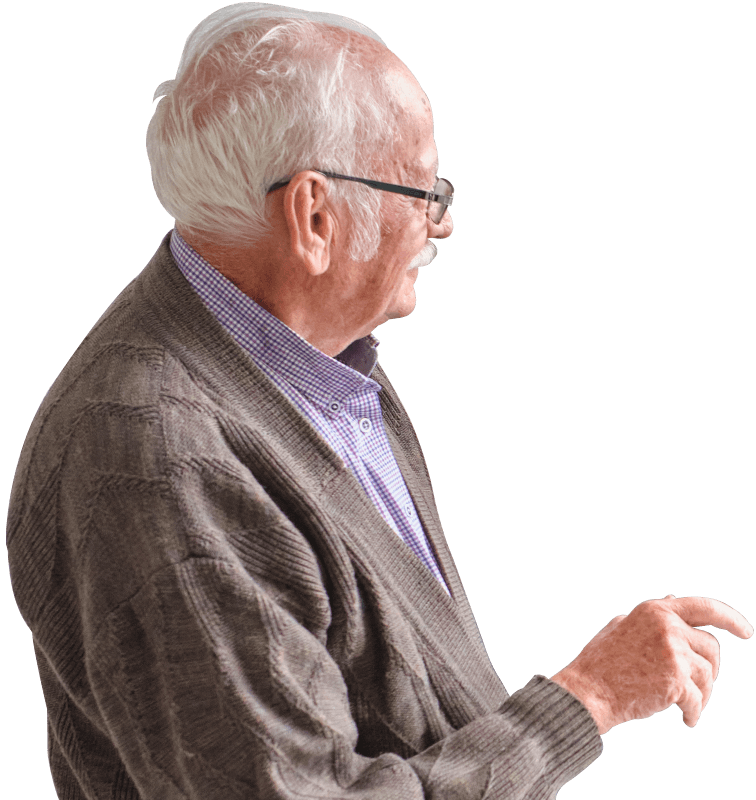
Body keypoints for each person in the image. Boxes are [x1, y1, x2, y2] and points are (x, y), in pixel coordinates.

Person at [7, 5, 752, 799]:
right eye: (421, 187)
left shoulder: (312, 353)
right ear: (315, 215)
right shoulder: (156, 461)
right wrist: (587, 700)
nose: (444, 220)